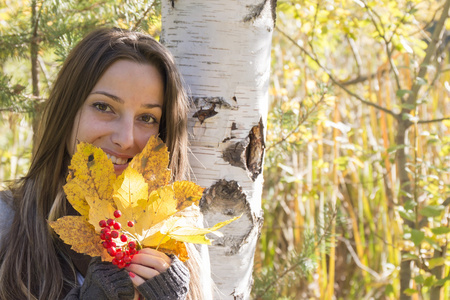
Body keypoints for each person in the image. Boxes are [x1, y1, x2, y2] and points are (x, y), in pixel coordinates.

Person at [0, 27, 208, 300]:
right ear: (67, 111)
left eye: (147, 118)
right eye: (103, 106)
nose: (125, 139)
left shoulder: (180, 229)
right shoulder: (6, 220)